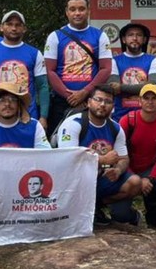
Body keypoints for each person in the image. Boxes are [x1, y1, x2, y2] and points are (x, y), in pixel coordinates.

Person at [57, 84, 142, 225]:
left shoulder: (115, 128)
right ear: (89, 102)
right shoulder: (74, 123)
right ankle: (82, 209)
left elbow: (124, 158)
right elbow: (68, 158)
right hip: (75, 182)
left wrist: (118, 170)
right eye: (98, 100)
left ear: (113, 106)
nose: (102, 105)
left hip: (100, 179)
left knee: (135, 182)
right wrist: (101, 160)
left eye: (108, 102)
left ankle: (96, 206)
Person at [44, 0, 113, 134]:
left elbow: (106, 69)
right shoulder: (55, 36)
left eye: (81, 9)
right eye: (73, 9)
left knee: (91, 140)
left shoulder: (100, 36)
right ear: (67, 12)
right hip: (61, 101)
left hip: (90, 100)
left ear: (88, 11)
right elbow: (50, 71)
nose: (77, 13)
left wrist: (84, 93)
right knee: (57, 142)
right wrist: (69, 96)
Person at [0, 11, 48, 130]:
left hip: (29, 116)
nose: (14, 28)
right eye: (9, 24)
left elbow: (43, 86)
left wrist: (43, 117)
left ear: (24, 29)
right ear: (1, 27)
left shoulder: (35, 54)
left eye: (18, 25)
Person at [118, 84, 156, 229]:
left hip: (152, 170)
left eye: (154, 98)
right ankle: (134, 216)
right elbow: (120, 154)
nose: (150, 101)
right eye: (146, 98)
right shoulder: (127, 121)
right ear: (139, 101)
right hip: (128, 169)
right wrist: (136, 179)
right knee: (119, 214)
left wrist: (151, 178)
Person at [0, 82, 51, 153]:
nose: (7, 104)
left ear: (19, 104)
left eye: (12, 99)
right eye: (1, 100)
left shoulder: (34, 127)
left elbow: (46, 155)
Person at [108, 23, 156, 122]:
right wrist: (143, 87)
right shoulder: (114, 60)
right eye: (130, 35)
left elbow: (153, 85)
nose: (135, 38)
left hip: (147, 117)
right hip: (120, 116)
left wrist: (122, 87)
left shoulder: (153, 60)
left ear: (144, 40)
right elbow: (113, 88)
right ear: (124, 40)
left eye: (139, 35)